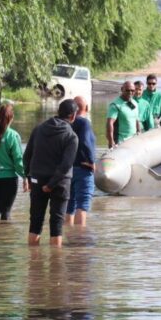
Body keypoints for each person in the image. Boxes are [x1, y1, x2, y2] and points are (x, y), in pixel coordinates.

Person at [23, 99, 79, 246]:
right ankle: (56, 264)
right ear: (73, 116)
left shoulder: (39, 129)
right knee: (57, 225)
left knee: (35, 222)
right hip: (60, 184)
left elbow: (27, 156)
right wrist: (51, 184)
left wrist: (28, 178)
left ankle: (33, 263)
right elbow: (66, 165)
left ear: (58, 112)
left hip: (37, 180)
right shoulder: (71, 136)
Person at [66, 96, 96, 227]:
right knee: (82, 205)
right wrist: (91, 161)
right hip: (82, 168)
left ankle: (67, 232)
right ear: (87, 108)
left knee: (69, 204)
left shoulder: (66, 122)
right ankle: (79, 239)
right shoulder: (84, 123)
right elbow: (85, 143)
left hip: (67, 169)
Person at [106, 81, 141, 149]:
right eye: (127, 90)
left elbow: (136, 119)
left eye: (132, 90)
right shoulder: (115, 105)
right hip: (120, 142)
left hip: (133, 141)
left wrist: (139, 132)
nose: (130, 93)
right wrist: (111, 142)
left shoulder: (134, 103)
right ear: (122, 89)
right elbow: (109, 123)